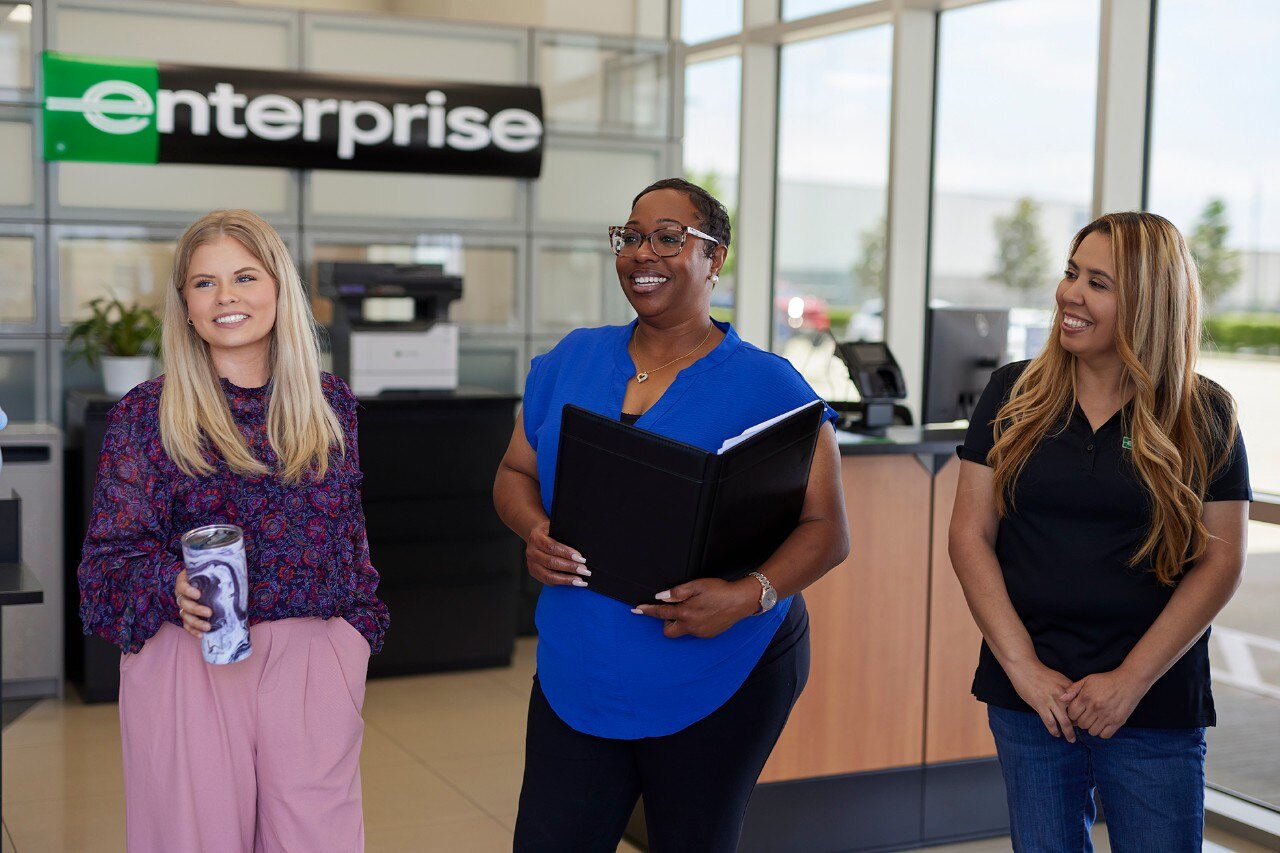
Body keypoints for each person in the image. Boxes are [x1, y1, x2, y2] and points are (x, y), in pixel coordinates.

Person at [493, 178, 850, 852]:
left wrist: (750, 594)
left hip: (718, 673)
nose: (642, 253)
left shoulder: (770, 385)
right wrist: (532, 529)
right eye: (631, 236)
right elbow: (514, 473)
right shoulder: (572, 358)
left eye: (667, 237)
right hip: (579, 669)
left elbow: (827, 529)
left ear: (715, 259)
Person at [78, 209, 389, 853]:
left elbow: (350, 543)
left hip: (312, 664)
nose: (227, 298)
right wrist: (173, 586)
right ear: (185, 305)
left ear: (279, 288)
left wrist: (352, 641)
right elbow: (105, 565)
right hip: (191, 661)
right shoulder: (146, 413)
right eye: (204, 283)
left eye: (245, 276)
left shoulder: (330, 405)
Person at [949, 211, 1251, 851]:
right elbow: (969, 535)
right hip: (1030, 697)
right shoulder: (1013, 392)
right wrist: (1023, 668)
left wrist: (1130, 681)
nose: (1070, 294)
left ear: (1148, 302)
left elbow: (1220, 563)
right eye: (1070, 273)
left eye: (1099, 282)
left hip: (1153, 697)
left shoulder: (1204, 411)